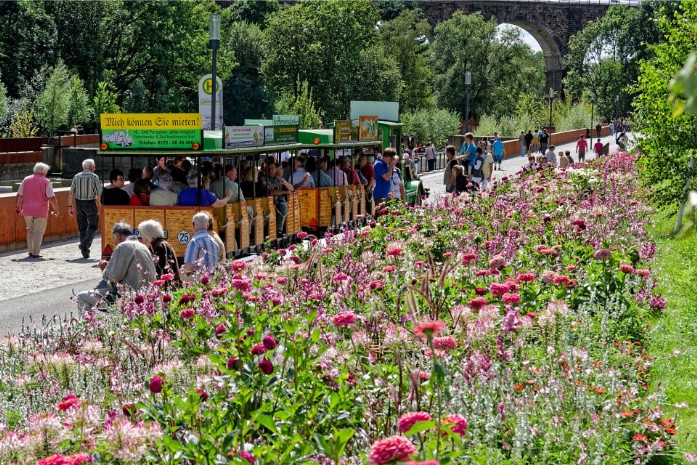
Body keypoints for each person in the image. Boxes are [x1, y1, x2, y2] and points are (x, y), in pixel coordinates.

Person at [75, 222, 156, 313]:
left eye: (114, 238)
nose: (114, 242)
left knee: (81, 297)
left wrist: (104, 268)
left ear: (118, 236)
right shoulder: (143, 246)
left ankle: (90, 325)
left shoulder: (123, 246)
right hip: (147, 293)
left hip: (128, 295)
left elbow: (113, 276)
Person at [16, 162, 59, 258]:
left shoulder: (26, 179)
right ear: (44, 171)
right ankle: (35, 253)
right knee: (38, 231)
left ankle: (30, 251)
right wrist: (56, 209)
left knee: (29, 230)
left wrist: (17, 207)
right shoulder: (46, 181)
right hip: (41, 210)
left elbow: (19, 194)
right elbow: (51, 197)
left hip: (27, 209)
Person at [68, 159, 103, 259]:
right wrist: (99, 205)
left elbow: (71, 192)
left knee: (82, 227)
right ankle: (85, 244)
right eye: (94, 166)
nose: (95, 168)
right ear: (91, 167)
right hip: (90, 203)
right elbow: (98, 194)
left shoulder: (76, 176)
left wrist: (70, 206)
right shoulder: (94, 177)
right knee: (93, 226)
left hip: (78, 203)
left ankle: (85, 250)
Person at [138, 219, 181, 285]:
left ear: (147, 233)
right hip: (168, 285)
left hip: (166, 287)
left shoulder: (159, 247)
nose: (140, 236)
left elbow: (157, 270)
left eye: (141, 233)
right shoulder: (159, 244)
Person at [259, 159, 294, 236]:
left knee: (283, 206)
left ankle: (279, 230)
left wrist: (285, 183)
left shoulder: (278, 178)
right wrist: (284, 192)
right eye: (269, 169)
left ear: (275, 169)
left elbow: (292, 188)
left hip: (279, 202)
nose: (271, 170)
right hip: (267, 203)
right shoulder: (263, 179)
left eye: (273, 168)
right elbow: (270, 192)